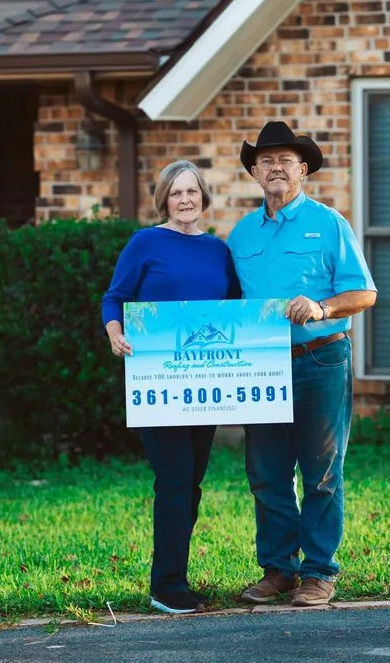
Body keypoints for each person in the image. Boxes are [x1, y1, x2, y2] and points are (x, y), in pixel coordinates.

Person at [227, 121, 377, 608]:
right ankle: (279, 570)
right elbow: (225, 304)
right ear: (254, 172)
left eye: (286, 160)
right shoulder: (240, 235)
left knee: (322, 472)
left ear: (303, 170)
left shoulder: (329, 224)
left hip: (321, 359)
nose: (276, 167)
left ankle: (318, 572)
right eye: (266, 160)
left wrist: (322, 307)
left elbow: (365, 293)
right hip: (261, 365)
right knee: (267, 472)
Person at [102, 159, 240, 615]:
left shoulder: (218, 251)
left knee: (192, 483)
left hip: (206, 383)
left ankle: (176, 577)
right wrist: (114, 331)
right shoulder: (145, 243)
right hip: (158, 381)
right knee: (174, 480)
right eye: (176, 192)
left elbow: (234, 310)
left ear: (203, 197)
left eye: (192, 191)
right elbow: (115, 297)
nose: (185, 200)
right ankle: (165, 586)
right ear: (164, 199)